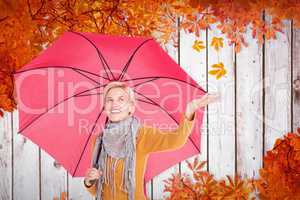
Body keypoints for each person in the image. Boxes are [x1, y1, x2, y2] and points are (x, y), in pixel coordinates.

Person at [83, 81, 219, 200]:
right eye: (109, 100)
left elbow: (176, 140)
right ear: (105, 107)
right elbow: (97, 190)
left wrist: (190, 110)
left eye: (121, 99)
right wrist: (89, 181)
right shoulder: (99, 140)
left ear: (131, 107)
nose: (114, 104)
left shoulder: (142, 134)